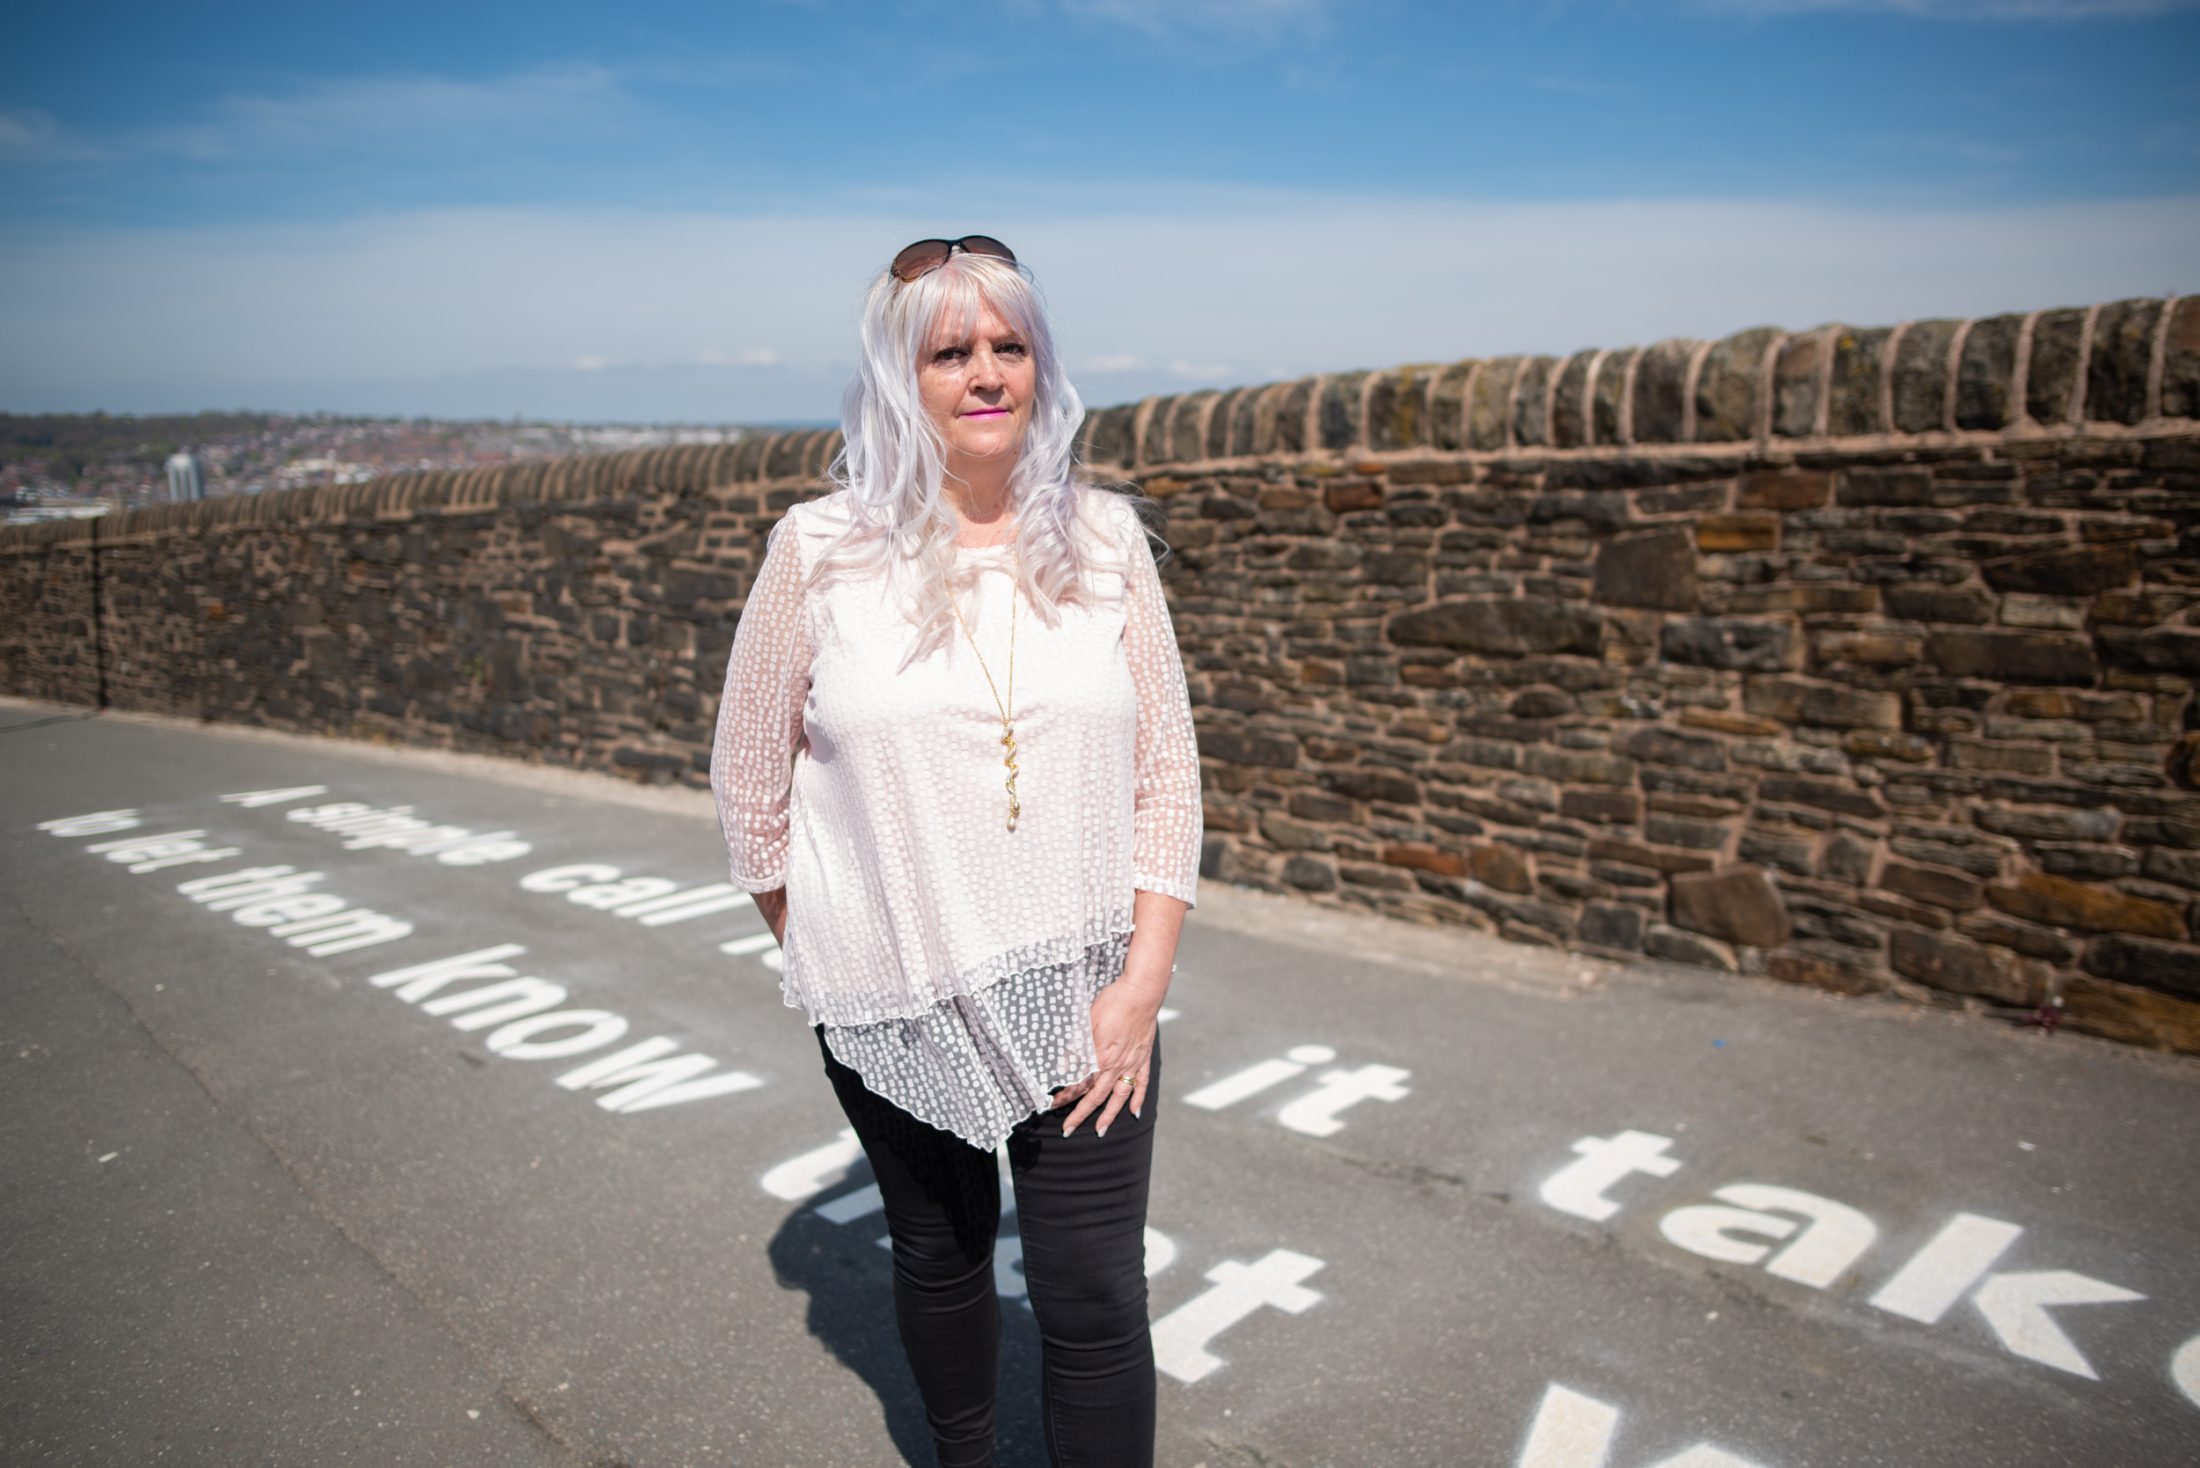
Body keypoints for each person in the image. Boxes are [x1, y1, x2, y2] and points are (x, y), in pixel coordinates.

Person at [708, 234, 1203, 1468]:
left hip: (1084, 987)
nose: (985, 373)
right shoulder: (816, 553)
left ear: (1040, 364)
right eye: (948, 350)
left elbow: (1168, 774)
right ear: (899, 374)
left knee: (1093, 1296)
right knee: (940, 1254)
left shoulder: (1106, 543)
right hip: (895, 989)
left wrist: (1139, 986)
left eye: (1008, 345)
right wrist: (831, 944)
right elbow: (747, 783)